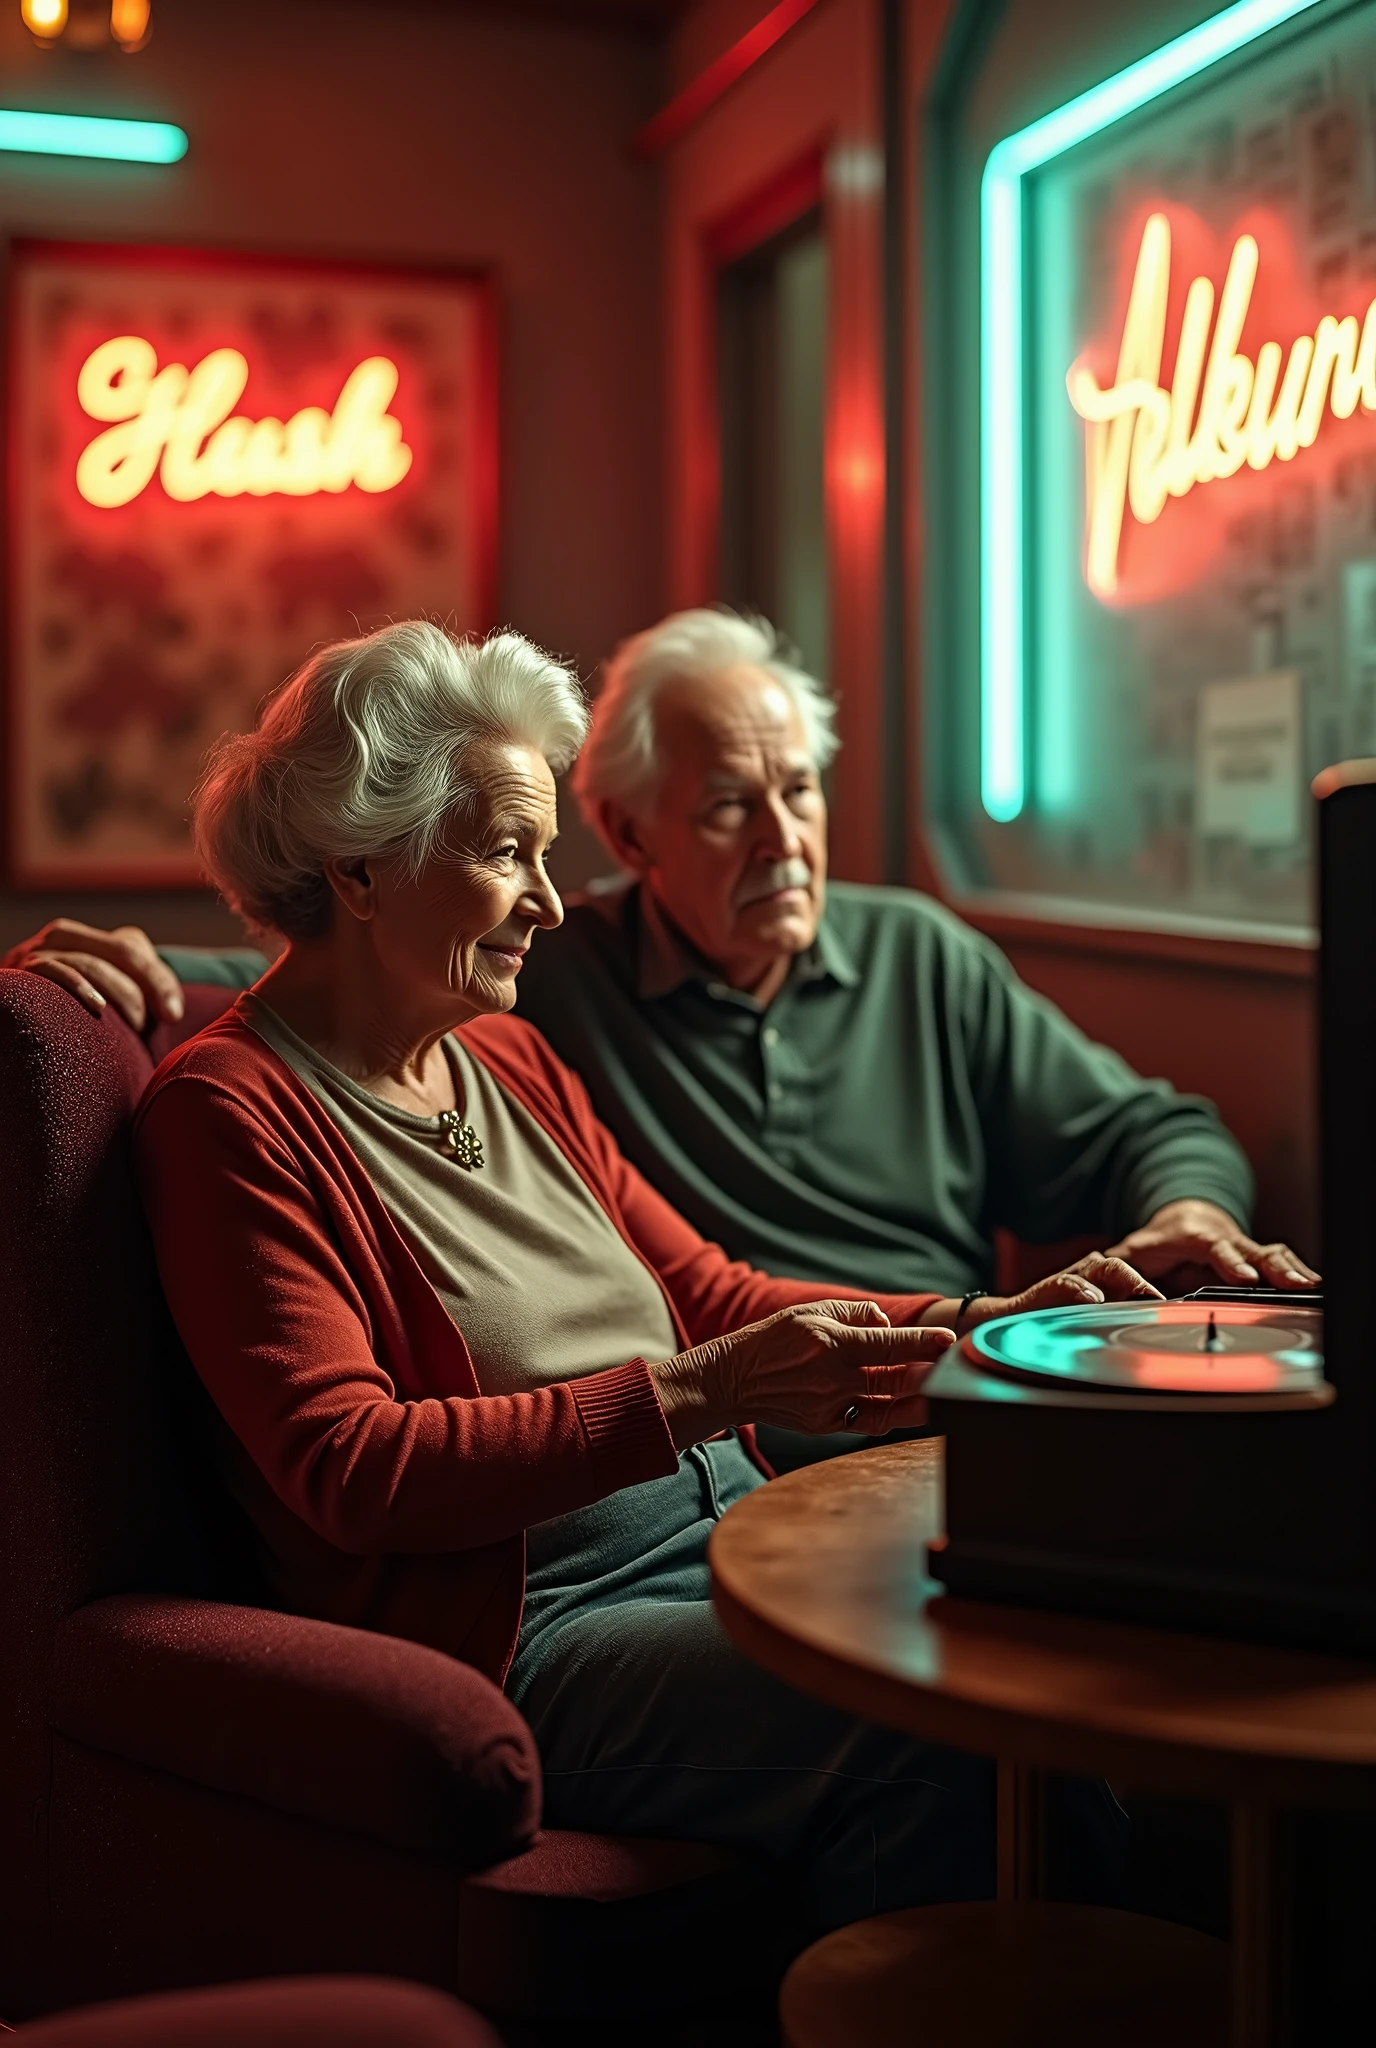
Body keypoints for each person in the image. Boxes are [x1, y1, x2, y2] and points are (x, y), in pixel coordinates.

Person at [110, 620, 1155, 1928]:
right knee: (941, 1723)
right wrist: (695, 1398)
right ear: (361, 873)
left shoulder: (508, 1059)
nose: (550, 901)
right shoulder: (229, 1118)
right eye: (505, 855)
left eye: (547, 855)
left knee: (1099, 1648)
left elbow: (708, 1295)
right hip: (535, 1633)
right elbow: (351, 1467)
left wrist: (979, 1328)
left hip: (733, 1538)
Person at [9, 608, 1314, 1472]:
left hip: (905, 1380)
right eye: (731, 808)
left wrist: (1041, 1304)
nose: (785, 841)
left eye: (799, 791)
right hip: (761, 1432)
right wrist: (76, 981)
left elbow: (1159, 1131)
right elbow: (321, 982)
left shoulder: (914, 956)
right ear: (633, 839)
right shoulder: (540, 985)